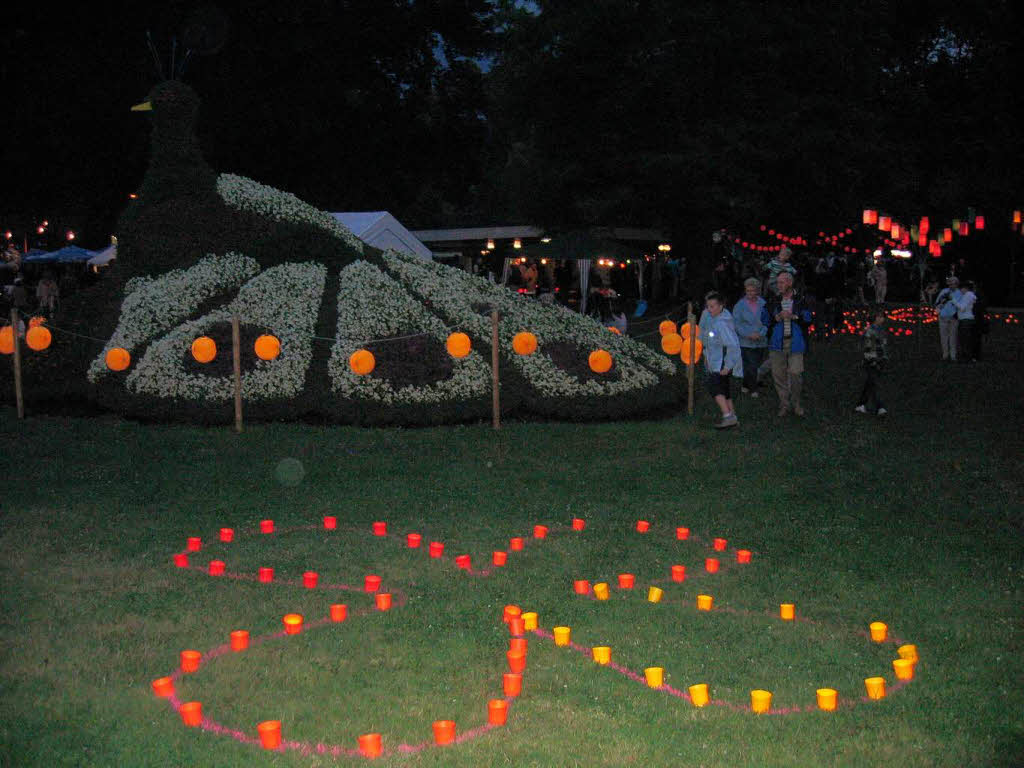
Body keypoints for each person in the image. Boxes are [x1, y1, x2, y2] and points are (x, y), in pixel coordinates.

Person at [762, 271, 813, 416]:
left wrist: (793, 316)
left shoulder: (800, 300)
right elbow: (764, 318)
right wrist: (776, 317)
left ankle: (795, 402)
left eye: (782, 282)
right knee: (779, 375)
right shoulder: (773, 300)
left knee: (795, 373)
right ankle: (784, 404)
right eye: (778, 282)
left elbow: (808, 318)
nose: (779, 285)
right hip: (777, 343)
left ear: (790, 283)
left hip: (795, 342)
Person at [699, 291, 742, 429]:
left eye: (712, 306)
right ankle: (733, 417)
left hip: (721, 364)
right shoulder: (717, 320)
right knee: (724, 390)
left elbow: (733, 345)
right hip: (716, 361)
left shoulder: (721, 324)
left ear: (721, 306)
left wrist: (727, 365)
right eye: (708, 307)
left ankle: (727, 416)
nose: (709, 310)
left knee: (716, 389)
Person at [732, 277, 767, 397]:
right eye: (748, 291)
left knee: (753, 364)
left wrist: (761, 333)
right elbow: (736, 323)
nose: (751, 293)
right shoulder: (740, 305)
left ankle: (745, 384)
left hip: (761, 340)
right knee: (752, 364)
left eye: (753, 290)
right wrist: (748, 334)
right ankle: (754, 389)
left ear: (757, 290)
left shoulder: (763, 303)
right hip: (745, 341)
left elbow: (767, 321)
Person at [855, 306, 889, 415]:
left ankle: (860, 405)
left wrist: (883, 358)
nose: (882, 318)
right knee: (875, 384)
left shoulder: (881, 330)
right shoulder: (870, 331)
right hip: (872, 361)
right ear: (874, 318)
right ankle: (880, 407)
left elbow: (883, 346)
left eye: (883, 316)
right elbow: (868, 348)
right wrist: (873, 360)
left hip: (880, 360)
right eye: (880, 316)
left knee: (870, 383)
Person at [934, 276, 961, 361]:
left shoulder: (959, 293)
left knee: (953, 337)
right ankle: (945, 354)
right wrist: (940, 305)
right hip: (943, 317)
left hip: (954, 318)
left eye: (953, 283)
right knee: (943, 337)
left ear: (957, 284)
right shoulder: (944, 291)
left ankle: (953, 355)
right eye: (949, 283)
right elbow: (937, 303)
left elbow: (961, 305)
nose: (951, 285)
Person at [956, 280, 979, 362]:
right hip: (965, 319)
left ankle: (967, 357)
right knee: (965, 339)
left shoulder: (968, 295)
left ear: (964, 288)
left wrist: (954, 301)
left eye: (960, 289)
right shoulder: (968, 295)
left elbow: (962, 308)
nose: (960, 291)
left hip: (966, 320)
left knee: (965, 339)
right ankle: (966, 356)